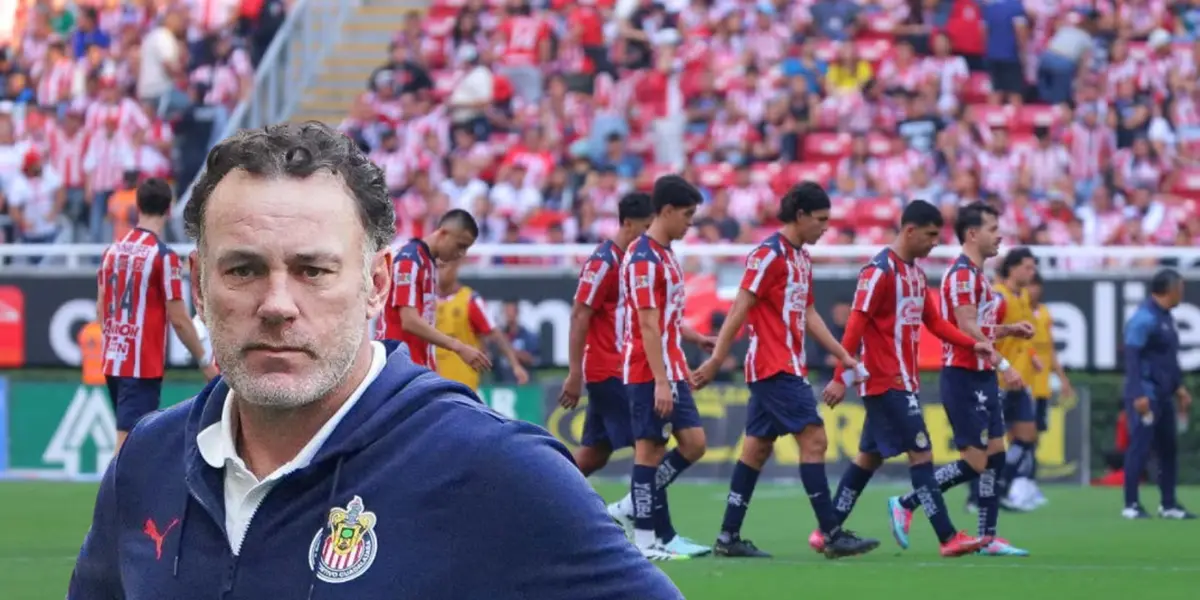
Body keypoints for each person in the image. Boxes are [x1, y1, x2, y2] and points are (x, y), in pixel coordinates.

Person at [68, 122, 685, 599]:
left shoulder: (496, 469)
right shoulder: (145, 462)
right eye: (243, 270)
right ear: (199, 285)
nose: (277, 304)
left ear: (378, 285)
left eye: (314, 270)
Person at [691, 182, 881, 559]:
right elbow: (740, 307)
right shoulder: (768, 255)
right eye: (820, 220)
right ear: (800, 215)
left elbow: (809, 314)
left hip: (786, 364)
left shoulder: (802, 258)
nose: (825, 227)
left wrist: (842, 354)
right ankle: (831, 534)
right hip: (772, 365)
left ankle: (728, 537)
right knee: (815, 440)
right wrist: (716, 359)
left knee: (756, 449)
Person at [816, 199, 996, 558]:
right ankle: (948, 537)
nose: (934, 243)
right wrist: (840, 375)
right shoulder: (878, 271)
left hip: (903, 380)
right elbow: (855, 326)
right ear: (910, 231)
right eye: (930, 235)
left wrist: (973, 343)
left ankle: (826, 531)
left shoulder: (915, 275)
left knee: (869, 457)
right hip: (885, 380)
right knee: (921, 452)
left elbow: (936, 323)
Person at [885, 202, 1032, 557]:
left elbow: (979, 327)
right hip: (964, 377)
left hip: (982, 376)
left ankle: (987, 537)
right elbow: (966, 329)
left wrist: (1009, 329)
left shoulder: (979, 275)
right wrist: (1004, 364)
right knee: (975, 462)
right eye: (993, 229)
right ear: (972, 234)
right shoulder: (962, 275)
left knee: (996, 455)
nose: (999, 236)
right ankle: (906, 501)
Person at [621, 175, 715, 560]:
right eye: (687, 215)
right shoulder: (643, 258)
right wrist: (660, 380)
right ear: (667, 211)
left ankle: (633, 505)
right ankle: (645, 542)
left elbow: (668, 317)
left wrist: (695, 338)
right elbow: (647, 324)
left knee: (694, 444)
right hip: (648, 370)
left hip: (672, 365)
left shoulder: (666, 254)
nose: (690, 223)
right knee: (650, 451)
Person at [96, 177, 216, 451]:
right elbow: (179, 320)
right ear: (169, 209)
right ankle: (115, 482)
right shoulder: (164, 257)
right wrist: (204, 361)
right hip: (141, 364)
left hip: (113, 359)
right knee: (129, 445)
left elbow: (101, 309)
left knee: (133, 441)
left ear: (138, 207)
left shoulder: (111, 252)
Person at [558, 192, 653, 483]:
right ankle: (647, 514)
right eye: (646, 228)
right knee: (649, 445)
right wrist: (575, 373)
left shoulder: (632, 262)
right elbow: (579, 315)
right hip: (610, 371)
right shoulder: (603, 262)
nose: (650, 237)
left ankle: (546, 493)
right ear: (628, 224)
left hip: (621, 369)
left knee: (595, 454)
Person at [376, 209, 492, 374]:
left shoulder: (428, 263)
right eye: (460, 245)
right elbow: (409, 321)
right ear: (443, 233)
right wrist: (458, 347)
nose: (461, 254)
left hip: (417, 367)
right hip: (398, 368)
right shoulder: (409, 261)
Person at [1121, 268, 1195, 520]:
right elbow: (1132, 358)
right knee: (1140, 448)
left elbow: (1167, 360)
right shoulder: (1144, 318)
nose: (1182, 293)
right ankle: (1131, 504)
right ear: (1170, 290)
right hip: (1147, 393)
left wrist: (1178, 387)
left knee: (1168, 449)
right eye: (1180, 288)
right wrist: (1137, 393)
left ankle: (1168, 504)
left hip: (1163, 394)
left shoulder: (1165, 317)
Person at [989, 247, 1043, 510]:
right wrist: (1002, 366)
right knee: (989, 445)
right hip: (998, 379)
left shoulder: (1023, 296)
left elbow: (1022, 334)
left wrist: (1032, 355)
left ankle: (1000, 487)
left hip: (1019, 380)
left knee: (1027, 436)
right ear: (1012, 268)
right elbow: (984, 334)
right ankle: (978, 495)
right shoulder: (998, 296)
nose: (1031, 273)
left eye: (1033, 268)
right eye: (1027, 267)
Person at [433, 258, 528, 389]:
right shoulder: (426, 299)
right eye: (436, 267)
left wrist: (515, 365)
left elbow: (495, 334)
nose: (439, 273)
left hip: (463, 382)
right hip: (432, 380)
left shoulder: (470, 300)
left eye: (443, 267)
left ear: (455, 268)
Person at [1027, 270, 1074, 497]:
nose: (1034, 290)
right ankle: (1015, 480)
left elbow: (1050, 349)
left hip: (1042, 385)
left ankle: (1028, 480)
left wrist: (1063, 379)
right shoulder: (1019, 311)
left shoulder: (1045, 313)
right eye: (1030, 285)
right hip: (1024, 383)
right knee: (1020, 435)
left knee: (1036, 435)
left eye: (1037, 285)